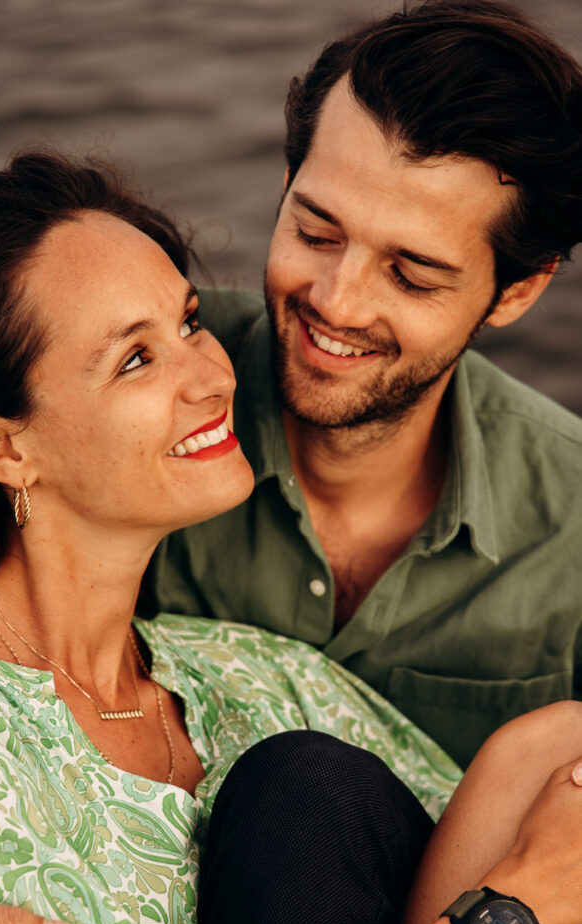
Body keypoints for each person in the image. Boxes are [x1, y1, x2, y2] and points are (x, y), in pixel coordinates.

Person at [0, 150, 581, 924]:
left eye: (188, 322)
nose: (214, 374)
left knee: (546, 750)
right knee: (302, 790)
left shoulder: (245, 673)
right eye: (135, 361)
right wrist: (512, 915)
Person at [142, 0, 582, 771]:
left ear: (516, 291)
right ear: (285, 184)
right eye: (315, 232)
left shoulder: (571, 525)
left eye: (409, 276)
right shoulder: (128, 375)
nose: (336, 302)